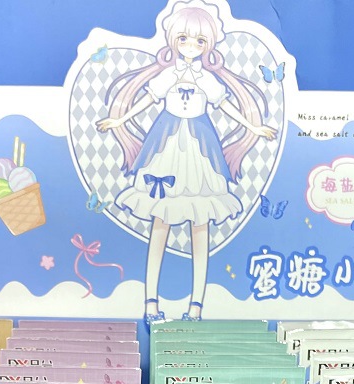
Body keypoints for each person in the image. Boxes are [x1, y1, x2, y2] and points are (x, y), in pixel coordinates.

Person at [97, 1, 275, 320]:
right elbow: (148, 99)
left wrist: (253, 127)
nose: (191, 46)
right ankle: (150, 302)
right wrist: (119, 119)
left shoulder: (207, 79)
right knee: (160, 221)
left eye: (199, 41)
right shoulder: (168, 75)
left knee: (200, 223)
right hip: (165, 144)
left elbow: (225, 106)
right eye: (184, 38)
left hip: (199, 147)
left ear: (208, 45)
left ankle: (196, 306)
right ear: (173, 39)